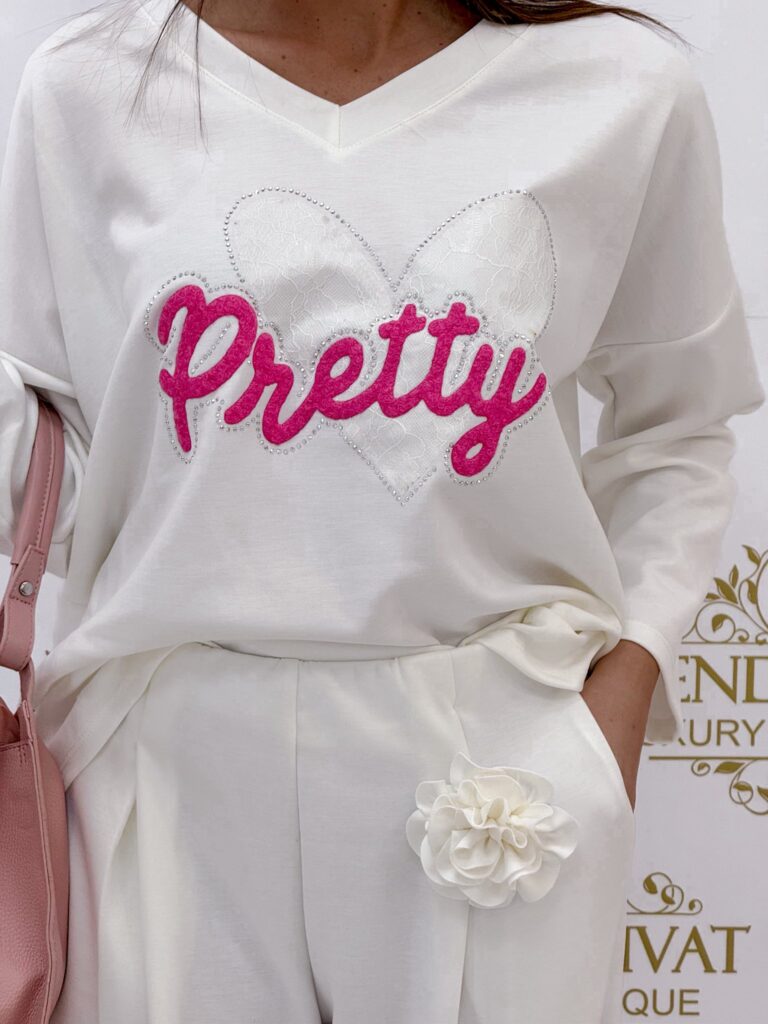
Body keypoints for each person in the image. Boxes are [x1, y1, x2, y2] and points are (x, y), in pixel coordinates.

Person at [0, 0, 763, 1021]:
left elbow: (678, 427)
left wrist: (617, 700)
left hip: (493, 762)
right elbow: (62, 476)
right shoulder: (89, 84)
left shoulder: (620, 83)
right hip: (160, 758)